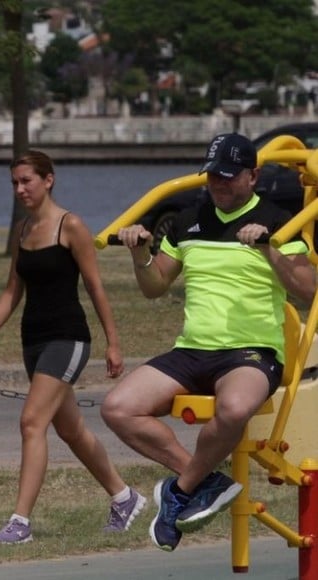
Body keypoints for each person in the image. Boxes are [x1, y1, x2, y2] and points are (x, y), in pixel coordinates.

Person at [103, 133, 316, 552]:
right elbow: (155, 285)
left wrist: (269, 248)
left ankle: (180, 490)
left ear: (253, 176)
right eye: (212, 176)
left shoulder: (277, 221)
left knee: (234, 407)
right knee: (117, 408)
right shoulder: (189, 220)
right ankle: (203, 482)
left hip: (251, 351)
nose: (217, 184)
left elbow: (308, 290)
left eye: (227, 176)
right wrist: (140, 254)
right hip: (192, 349)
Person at [0, 150, 146, 546]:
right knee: (71, 430)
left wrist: (113, 343)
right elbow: (13, 290)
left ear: (48, 180)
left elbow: (95, 286)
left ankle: (20, 523)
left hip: (69, 338)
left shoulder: (70, 226)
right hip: (34, 340)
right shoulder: (23, 230)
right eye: (14, 182)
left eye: (26, 180)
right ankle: (124, 497)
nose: (20, 189)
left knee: (31, 423)